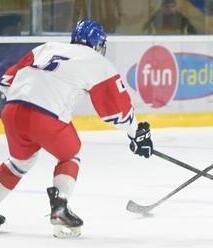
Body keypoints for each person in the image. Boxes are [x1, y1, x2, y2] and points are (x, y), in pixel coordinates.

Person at [0, 19, 153, 237]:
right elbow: (117, 112)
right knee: (70, 155)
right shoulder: (96, 61)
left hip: (12, 112)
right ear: (98, 44)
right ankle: (60, 207)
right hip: (45, 117)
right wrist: (137, 134)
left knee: (18, 163)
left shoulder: (46, 48)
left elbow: (6, 82)